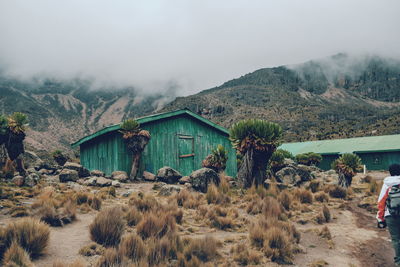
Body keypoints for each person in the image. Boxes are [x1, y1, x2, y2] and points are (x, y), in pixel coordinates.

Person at [377, 163, 400, 266]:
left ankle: (398, 262)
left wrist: (380, 218)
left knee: (396, 239)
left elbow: (381, 202)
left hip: (390, 215)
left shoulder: (387, 184)